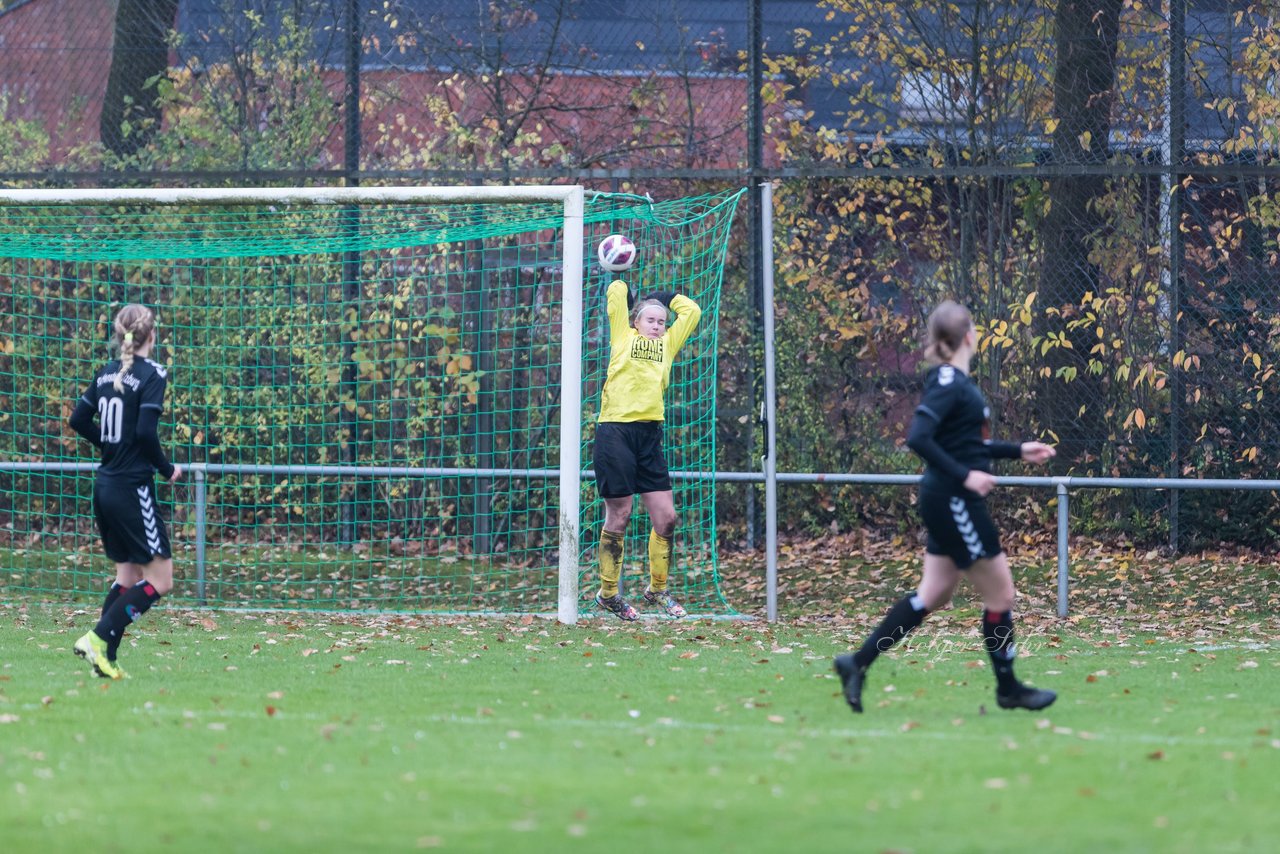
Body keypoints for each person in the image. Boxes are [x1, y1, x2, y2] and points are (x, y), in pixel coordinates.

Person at [834, 300, 1058, 712]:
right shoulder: (948, 381)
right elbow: (919, 437)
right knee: (1001, 595)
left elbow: (964, 445)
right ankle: (1007, 689)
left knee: (933, 593)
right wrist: (965, 476)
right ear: (969, 336)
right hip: (953, 499)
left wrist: (1016, 450)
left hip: (946, 497)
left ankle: (857, 662)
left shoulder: (956, 382)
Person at [68, 304, 182, 680]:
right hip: (133, 487)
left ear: (119, 336)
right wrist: (167, 469)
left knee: (127, 578)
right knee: (161, 580)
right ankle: (98, 638)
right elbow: (146, 433)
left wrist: (109, 447)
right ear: (152, 336)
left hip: (105, 486)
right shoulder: (152, 374)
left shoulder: (104, 374)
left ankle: (105, 659)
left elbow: (77, 419)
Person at [592, 277, 701, 620]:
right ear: (635, 322)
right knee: (620, 515)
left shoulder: (668, 344)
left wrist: (662, 298)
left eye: (661, 321)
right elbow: (616, 292)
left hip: (649, 436)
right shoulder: (623, 337)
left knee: (667, 518)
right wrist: (619, 272)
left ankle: (658, 590)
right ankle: (609, 594)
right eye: (650, 319)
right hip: (615, 432)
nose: (657, 325)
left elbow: (692, 311)